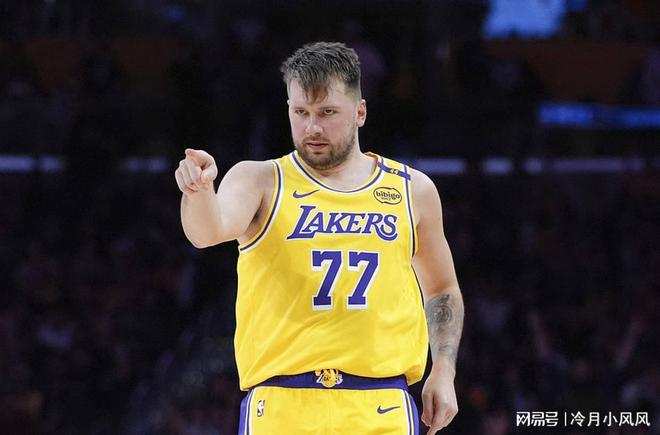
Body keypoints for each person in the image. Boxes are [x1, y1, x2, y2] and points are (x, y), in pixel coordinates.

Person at [175, 41, 464, 435]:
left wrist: (444, 369)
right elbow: (206, 232)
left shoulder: (413, 190)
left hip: (381, 405)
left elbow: (442, 288)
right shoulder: (259, 180)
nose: (312, 127)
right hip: (283, 406)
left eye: (327, 112)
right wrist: (197, 191)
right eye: (301, 112)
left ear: (360, 112)